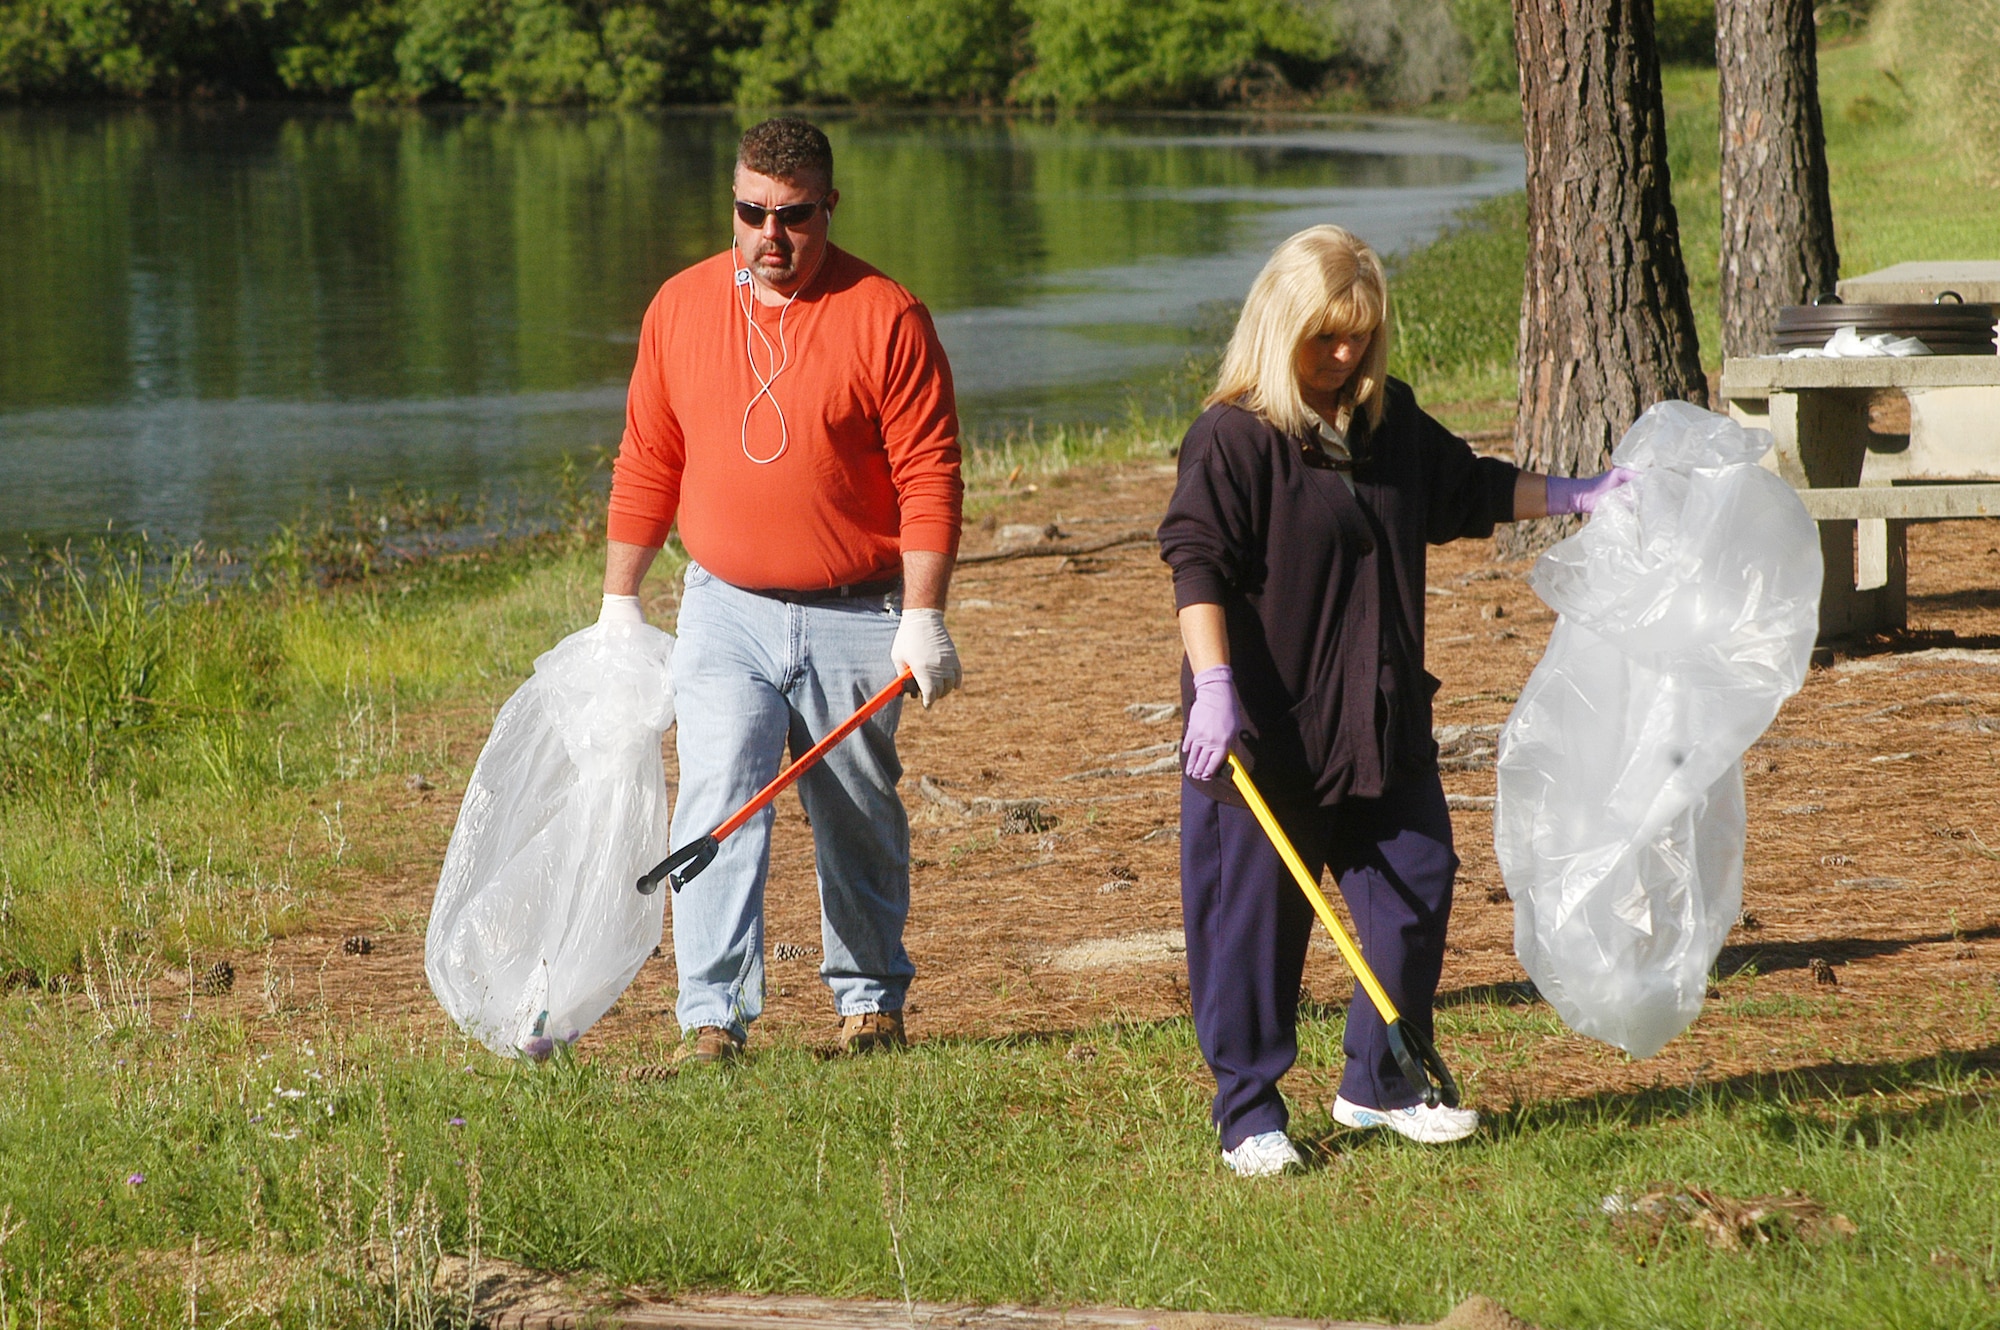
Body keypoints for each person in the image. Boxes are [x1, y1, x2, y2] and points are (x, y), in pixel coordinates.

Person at [1157, 224, 1631, 1176]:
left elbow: (1467, 491)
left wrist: (1585, 494)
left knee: (1415, 885)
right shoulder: (1235, 437)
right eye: (1326, 337)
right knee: (1253, 933)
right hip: (1263, 739)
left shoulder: (1387, 422)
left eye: (1360, 339)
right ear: (1281, 325)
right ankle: (1248, 1115)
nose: (1343, 358)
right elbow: (1195, 563)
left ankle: (1380, 1085)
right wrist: (1213, 689)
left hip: (1379, 725)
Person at [602, 117, 963, 1063]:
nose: (771, 235)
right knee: (718, 797)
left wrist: (923, 617)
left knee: (854, 805)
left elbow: (929, 475)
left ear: (827, 207)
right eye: (752, 212)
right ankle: (711, 1020)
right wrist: (619, 601)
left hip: (859, 607)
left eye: (793, 216)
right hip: (726, 606)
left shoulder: (887, 314)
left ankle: (870, 1002)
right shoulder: (678, 309)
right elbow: (648, 456)